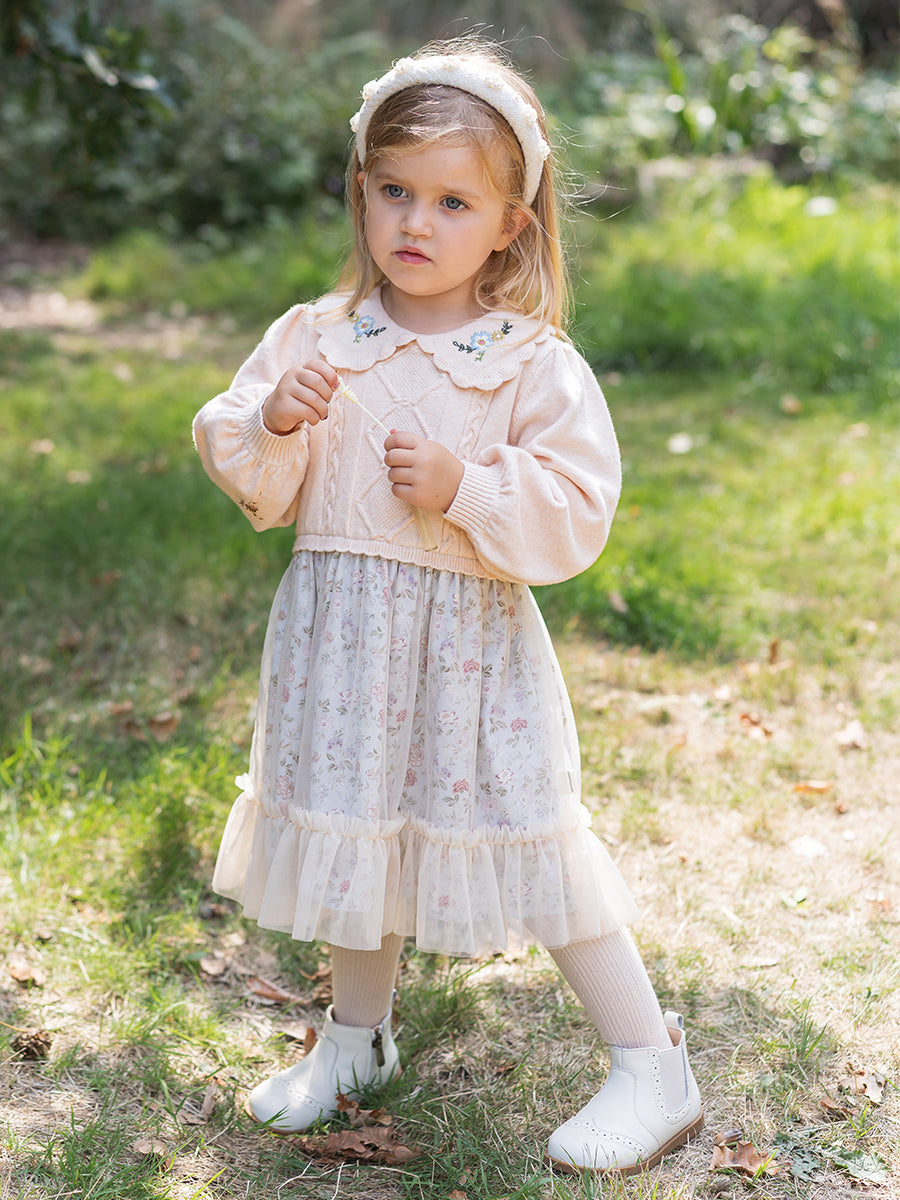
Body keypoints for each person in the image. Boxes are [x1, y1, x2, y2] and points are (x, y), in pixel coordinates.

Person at [192, 35, 703, 1175]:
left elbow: (576, 507)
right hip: (343, 644)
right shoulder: (318, 336)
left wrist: (467, 486)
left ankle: (650, 1062)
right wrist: (275, 420)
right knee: (355, 822)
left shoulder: (526, 362)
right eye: (394, 192)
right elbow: (251, 471)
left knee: (533, 839)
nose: (415, 222)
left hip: (471, 656)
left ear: (510, 223)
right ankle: (354, 1037)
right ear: (361, 190)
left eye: (452, 202)